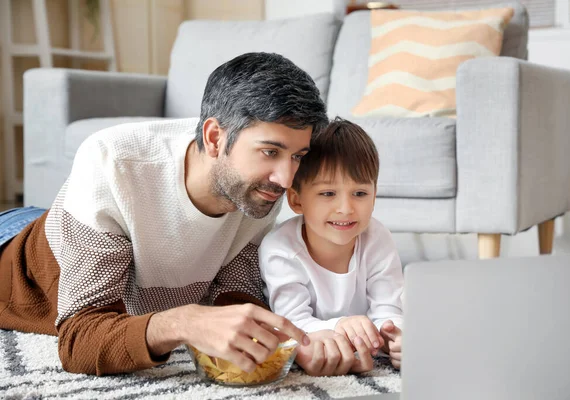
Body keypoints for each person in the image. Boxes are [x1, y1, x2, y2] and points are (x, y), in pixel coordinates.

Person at [0, 52, 337, 377]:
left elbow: (235, 299)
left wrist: (303, 342)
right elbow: (80, 341)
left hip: (79, 219)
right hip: (15, 247)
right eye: (270, 151)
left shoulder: (258, 188)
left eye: (297, 156)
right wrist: (184, 322)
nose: (287, 179)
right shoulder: (112, 163)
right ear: (215, 138)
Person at [259, 118, 404, 372]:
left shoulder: (377, 237)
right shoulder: (279, 249)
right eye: (328, 194)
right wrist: (339, 325)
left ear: (374, 194)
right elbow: (292, 322)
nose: (346, 209)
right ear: (296, 199)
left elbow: (388, 310)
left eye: (360, 193)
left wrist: (396, 338)